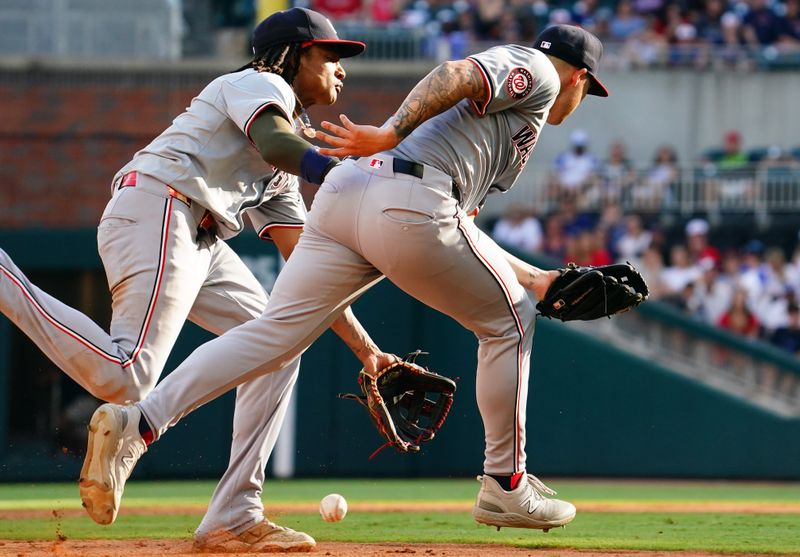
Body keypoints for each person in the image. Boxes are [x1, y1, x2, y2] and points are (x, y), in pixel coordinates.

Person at [79, 23, 609, 533]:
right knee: (510, 320)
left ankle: (140, 423)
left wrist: (537, 276)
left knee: (273, 337)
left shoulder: (508, 127)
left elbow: (459, 230)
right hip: (408, 195)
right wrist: (389, 132)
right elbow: (457, 74)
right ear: (579, 78)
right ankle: (506, 483)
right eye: (589, 91)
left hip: (352, 194)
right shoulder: (538, 68)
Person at [1, 7, 396, 552]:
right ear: (292, 55)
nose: (341, 69)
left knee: (279, 340)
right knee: (125, 377)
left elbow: (308, 270)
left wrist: (368, 351)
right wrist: (350, 173)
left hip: (197, 234)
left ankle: (233, 516)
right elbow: (278, 142)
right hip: (162, 207)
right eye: (330, 55)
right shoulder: (254, 83)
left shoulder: (286, 155)